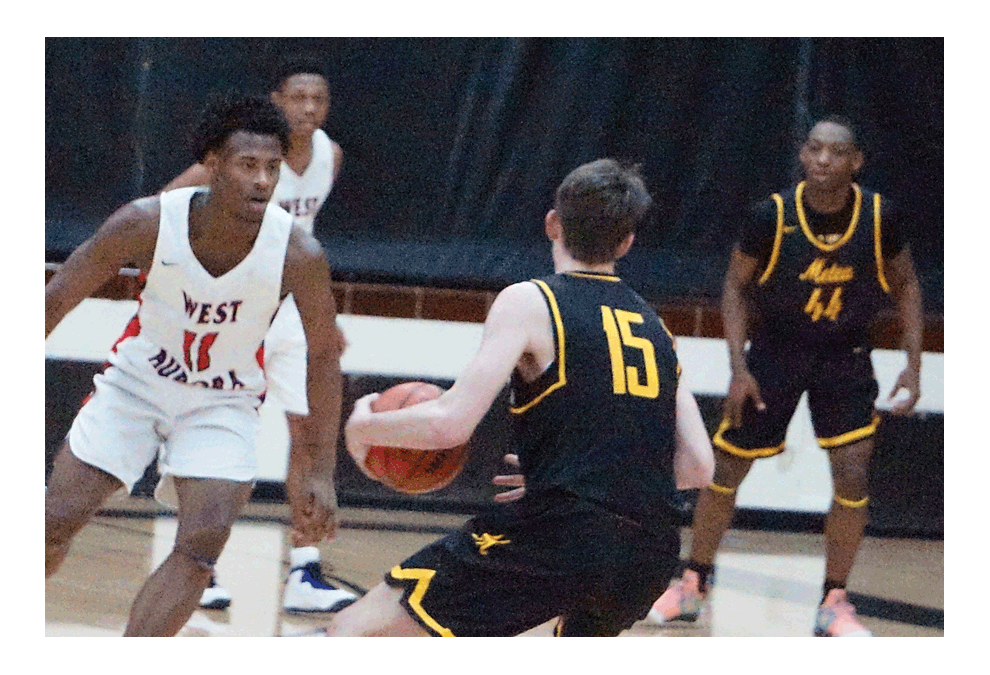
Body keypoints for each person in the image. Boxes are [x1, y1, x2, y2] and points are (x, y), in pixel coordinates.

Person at [318, 158, 715, 637]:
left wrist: (361, 424)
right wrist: (578, 475)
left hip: (561, 534)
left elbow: (449, 423)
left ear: (553, 223)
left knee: (350, 634)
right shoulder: (657, 327)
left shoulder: (530, 300)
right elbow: (698, 467)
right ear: (628, 242)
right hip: (646, 553)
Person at [44, 93, 345, 636]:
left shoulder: (298, 254)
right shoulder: (147, 221)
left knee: (201, 545)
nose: (261, 180)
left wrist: (321, 467)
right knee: (52, 523)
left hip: (223, 401)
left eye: (272, 168)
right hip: (136, 385)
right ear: (211, 163)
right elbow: (59, 294)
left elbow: (323, 358)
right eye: (246, 165)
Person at [646, 116, 924, 637]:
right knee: (726, 468)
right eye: (814, 149)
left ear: (856, 161)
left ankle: (834, 601)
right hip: (776, 351)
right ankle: (692, 582)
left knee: (853, 473)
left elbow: (906, 284)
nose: (822, 160)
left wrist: (913, 362)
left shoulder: (882, 217)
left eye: (835, 152)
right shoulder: (769, 216)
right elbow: (734, 286)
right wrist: (738, 367)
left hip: (845, 354)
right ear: (802, 155)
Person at [162, 56, 354, 613]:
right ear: (277, 101)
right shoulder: (234, 164)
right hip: (230, 302)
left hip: (290, 303)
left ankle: (306, 570)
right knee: (207, 423)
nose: (310, 109)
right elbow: (164, 217)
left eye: (319, 99)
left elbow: (305, 245)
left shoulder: (329, 157)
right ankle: (197, 561)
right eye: (299, 98)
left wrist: (326, 318)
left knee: (309, 428)